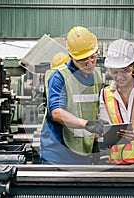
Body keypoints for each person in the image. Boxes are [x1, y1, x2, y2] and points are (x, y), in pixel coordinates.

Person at [40, 26, 108, 165]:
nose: (90, 63)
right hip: (57, 153)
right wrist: (86, 124)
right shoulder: (60, 77)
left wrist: (94, 142)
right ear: (71, 57)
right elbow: (57, 113)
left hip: (82, 150)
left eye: (93, 57)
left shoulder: (96, 75)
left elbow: (92, 110)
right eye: (83, 59)